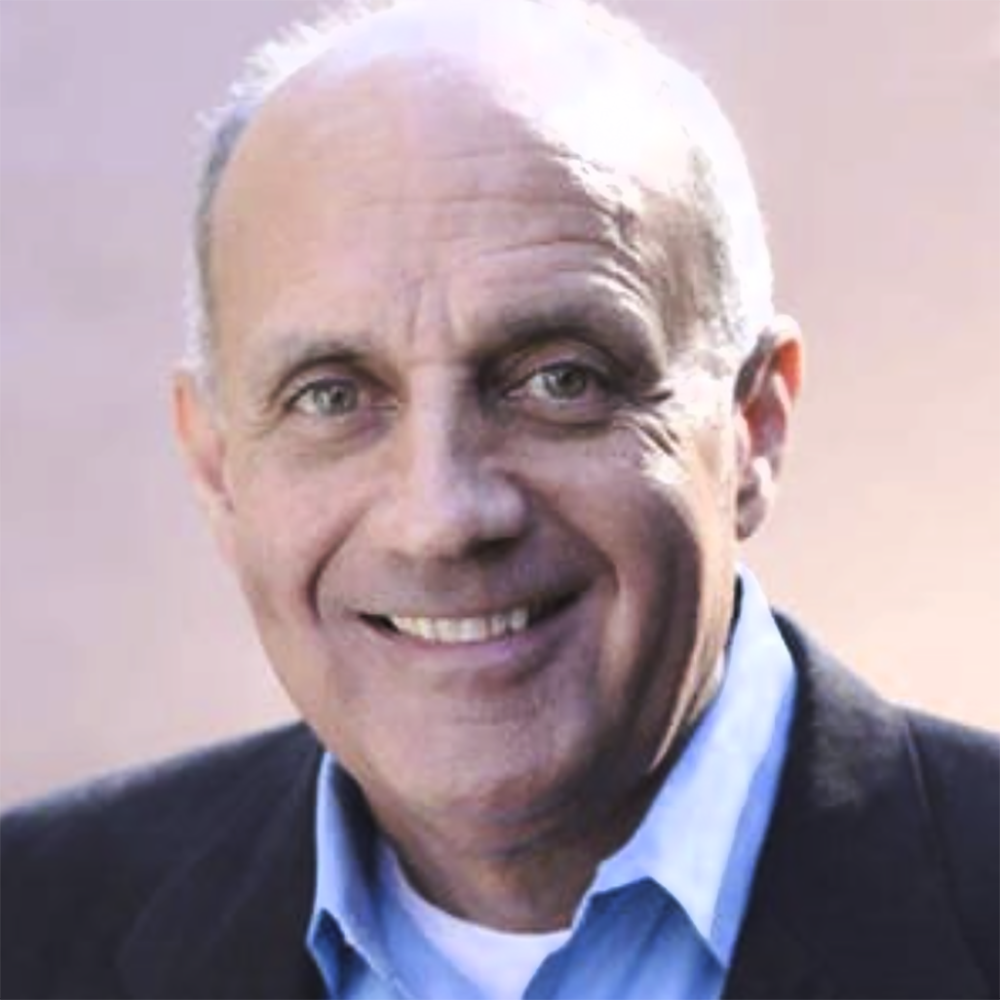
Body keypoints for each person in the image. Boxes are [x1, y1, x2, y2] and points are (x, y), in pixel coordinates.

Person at [2, 1, 999, 997]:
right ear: (218, 468)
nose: (441, 517)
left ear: (753, 424)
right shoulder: (30, 924)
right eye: (331, 397)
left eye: (561, 380)